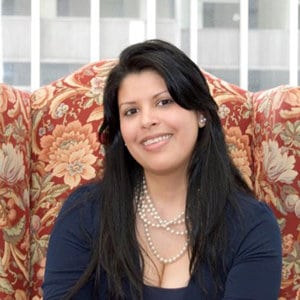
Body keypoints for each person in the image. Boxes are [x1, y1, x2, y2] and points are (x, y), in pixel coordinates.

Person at [42, 39, 282, 300]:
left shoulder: (250, 225)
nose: (147, 120)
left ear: (201, 112)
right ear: (120, 131)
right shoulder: (84, 213)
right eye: (131, 111)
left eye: (164, 102)